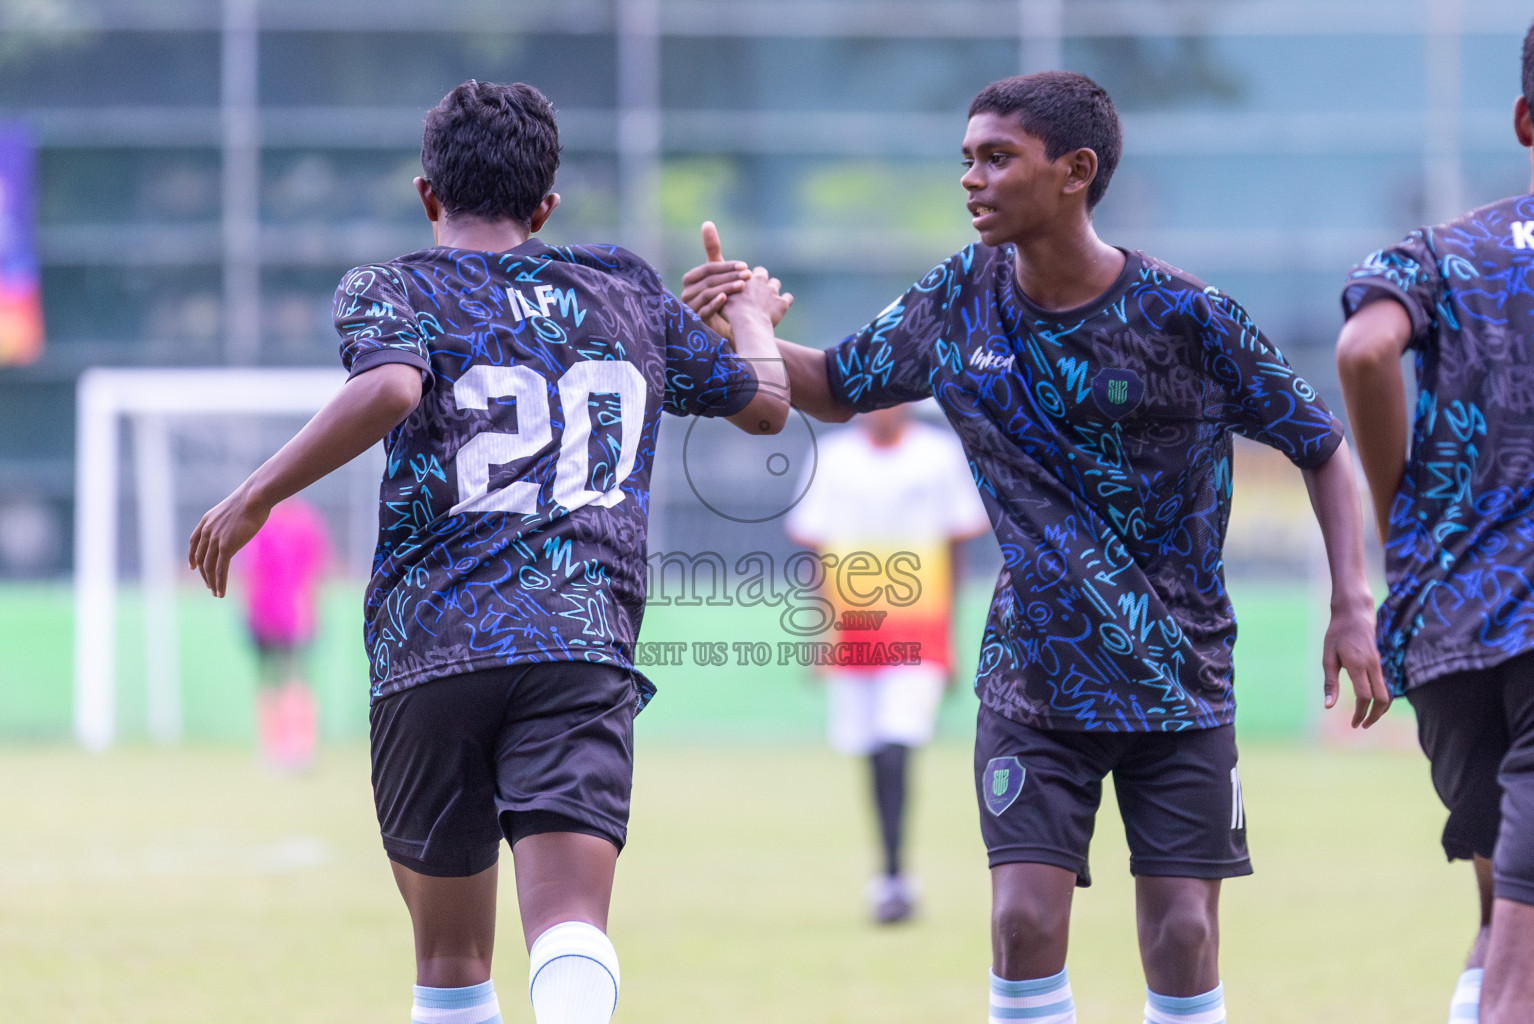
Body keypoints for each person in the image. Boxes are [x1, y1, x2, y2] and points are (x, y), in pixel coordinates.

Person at [685, 71, 1388, 1024]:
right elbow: (831, 383)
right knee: (1021, 920)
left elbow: (1323, 448)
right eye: (967, 158)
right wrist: (755, 324)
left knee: (1183, 931)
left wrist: (1352, 604)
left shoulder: (1189, 315)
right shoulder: (957, 299)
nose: (971, 178)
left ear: (1075, 171)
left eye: (997, 157)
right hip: (1034, 682)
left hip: (1179, 677)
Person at [189, 80, 789, 1024]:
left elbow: (390, 389)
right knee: (570, 927)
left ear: (427, 193)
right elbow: (766, 406)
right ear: (547, 205)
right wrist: (748, 311)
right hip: (578, 641)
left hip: (433, 645)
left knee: (452, 959)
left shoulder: (391, 286)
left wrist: (254, 493)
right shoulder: (625, 287)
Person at [1334, 23, 1534, 1024]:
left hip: (1449, 622)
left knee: (1503, 908)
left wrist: (1398, 516)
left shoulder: (1443, 254)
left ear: (1524, 121)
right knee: (1524, 961)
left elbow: (1366, 352)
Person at [785, 402, 990, 924]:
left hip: (918, 631)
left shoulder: (938, 455)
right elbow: (816, 551)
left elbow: (954, 548)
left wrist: (951, 638)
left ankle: (895, 877)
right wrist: (822, 633)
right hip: (854, 631)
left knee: (899, 741)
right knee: (870, 747)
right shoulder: (831, 459)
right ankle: (889, 874)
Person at [236, 495, 329, 771]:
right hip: (287, 616)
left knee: (282, 681)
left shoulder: (268, 524)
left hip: (278, 616)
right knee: (288, 679)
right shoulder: (301, 522)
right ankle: (291, 748)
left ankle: (287, 748)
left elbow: (252, 572)